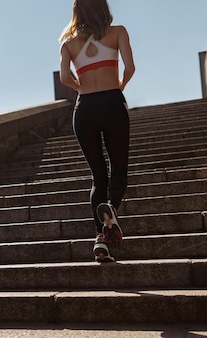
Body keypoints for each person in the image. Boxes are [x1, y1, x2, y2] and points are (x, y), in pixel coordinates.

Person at [59, 0, 135, 262]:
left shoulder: (68, 44)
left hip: (85, 109)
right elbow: (130, 68)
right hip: (112, 102)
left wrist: (81, 86)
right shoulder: (118, 32)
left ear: (77, 11)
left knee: (98, 177)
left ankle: (99, 241)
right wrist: (120, 85)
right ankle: (110, 212)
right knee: (119, 171)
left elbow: (64, 78)